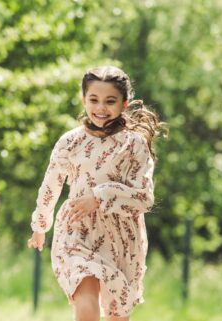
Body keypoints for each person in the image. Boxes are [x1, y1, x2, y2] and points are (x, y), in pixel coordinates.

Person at [28, 66, 166, 321]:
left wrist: (101, 197)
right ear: (84, 100)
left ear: (124, 104)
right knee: (85, 302)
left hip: (121, 237)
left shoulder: (133, 144)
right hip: (76, 230)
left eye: (110, 101)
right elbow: (51, 184)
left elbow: (144, 197)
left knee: (116, 314)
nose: (101, 108)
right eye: (94, 100)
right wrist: (40, 224)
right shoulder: (70, 141)